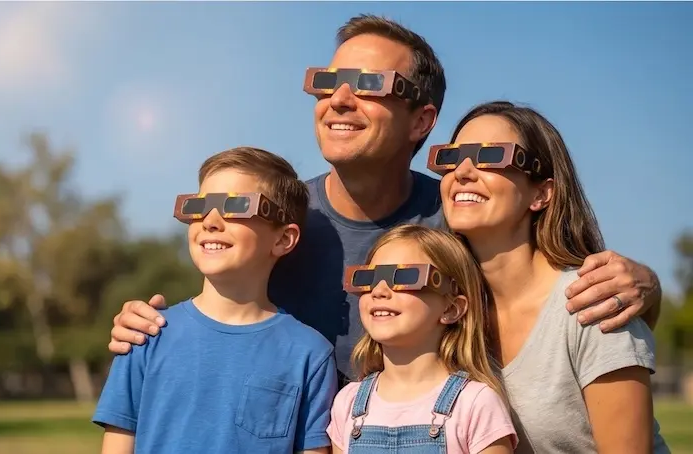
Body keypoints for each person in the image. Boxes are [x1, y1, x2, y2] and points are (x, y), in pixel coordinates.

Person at [105, 15, 663, 386]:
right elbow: (222, 310)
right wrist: (150, 326)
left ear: (422, 120)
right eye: (329, 82)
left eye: (369, 85)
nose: (340, 100)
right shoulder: (274, 217)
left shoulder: (462, 218)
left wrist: (646, 288)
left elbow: (565, 306)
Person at [430, 100, 668, 453]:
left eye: (491, 157)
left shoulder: (593, 302)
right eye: (451, 158)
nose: (462, 171)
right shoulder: (446, 311)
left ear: (541, 193)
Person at [92, 147, 338, 454]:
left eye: (235, 205)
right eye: (199, 206)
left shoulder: (309, 354)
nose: (210, 220)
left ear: (283, 239)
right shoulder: (146, 335)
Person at [328, 225, 517, 454]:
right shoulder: (348, 403)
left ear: (451, 308)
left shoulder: (475, 404)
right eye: (368, 278)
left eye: (405, 276)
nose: (379, 291)